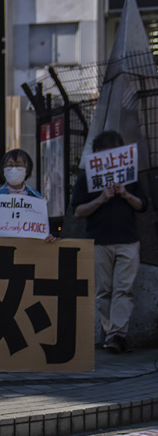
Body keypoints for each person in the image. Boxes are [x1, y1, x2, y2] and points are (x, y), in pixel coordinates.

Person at [70, 131, 149, 353]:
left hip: (128, 239)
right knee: (103, 290)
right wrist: (101, 199)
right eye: (106, 152)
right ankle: (110, 332)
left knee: (124, 288)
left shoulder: (130, 175)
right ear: (97, 153)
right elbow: (78, 211)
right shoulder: (87, 178)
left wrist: (126, 194)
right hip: (99, 240)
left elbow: (142, 205)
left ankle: (117, 335)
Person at [0, 149, 42, 237]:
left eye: (18, 165)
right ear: (4, 170)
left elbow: (42, 228)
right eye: (10, 165)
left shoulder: (36, 198)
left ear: (27, 170)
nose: (14, 169)